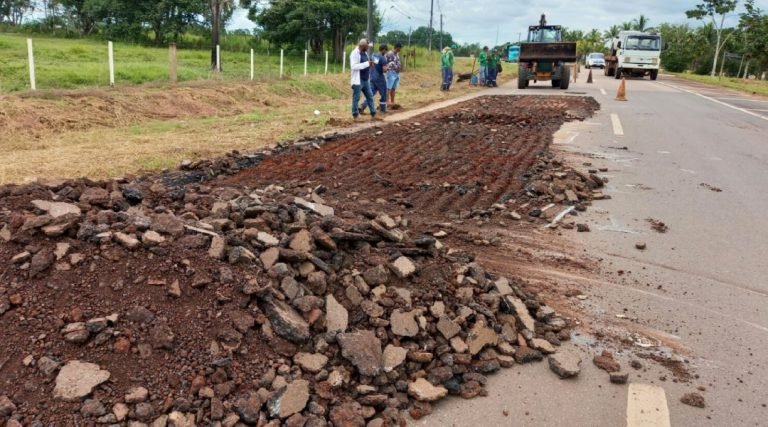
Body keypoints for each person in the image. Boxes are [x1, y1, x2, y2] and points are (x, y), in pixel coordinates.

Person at [350, 38, 376, 119]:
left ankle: (373, 112)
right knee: (356, 98)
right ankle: (355, 114)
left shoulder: (365, 53)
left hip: (365, 79)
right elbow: (353, 66)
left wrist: (370, 64)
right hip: (358, 80)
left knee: (370, 96)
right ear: (363, 46)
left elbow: (366, 64)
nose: (368, 47)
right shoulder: (354, 53)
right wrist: (366, 64)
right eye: (367, 46)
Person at [363, 44, 389, 113]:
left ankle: (362, 106)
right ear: (383, 49)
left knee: (370, 93)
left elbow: (373, 65)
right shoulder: (382, 58)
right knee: (384, 93)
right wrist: (387, 68)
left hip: (372, 77)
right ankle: (382, 109)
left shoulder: (373, 55)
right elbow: (384, 70)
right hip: (379, 78)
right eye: (385, 51)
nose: (385, 53)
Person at [385, 43, 402, 107]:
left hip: (397, 73)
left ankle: (392, 102)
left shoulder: (397, 54)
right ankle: (387, 102)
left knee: (393, 88)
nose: (400, 49)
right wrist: (387, 69)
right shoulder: (389, 54)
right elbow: (385, 62)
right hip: (391, 72)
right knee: (388, 88)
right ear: (397, 47)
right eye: (399, 48)